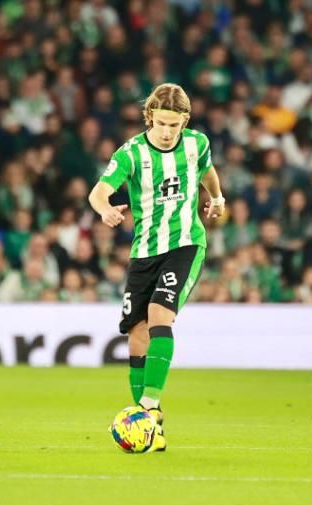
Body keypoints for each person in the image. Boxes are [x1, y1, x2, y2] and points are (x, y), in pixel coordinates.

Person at [87, 83, 224, 452]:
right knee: (137, 333)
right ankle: (151, 426)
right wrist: (105, 209)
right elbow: (99, 191)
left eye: (174, 125)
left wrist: (216, 196)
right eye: (161, 123)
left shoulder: (197, 144)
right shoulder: (131, 153)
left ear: (185, 122)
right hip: (145, 250)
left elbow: (207, 171)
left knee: (160, 314)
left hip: (185, 244)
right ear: (149, 117)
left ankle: (147, 410)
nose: (166, 132)